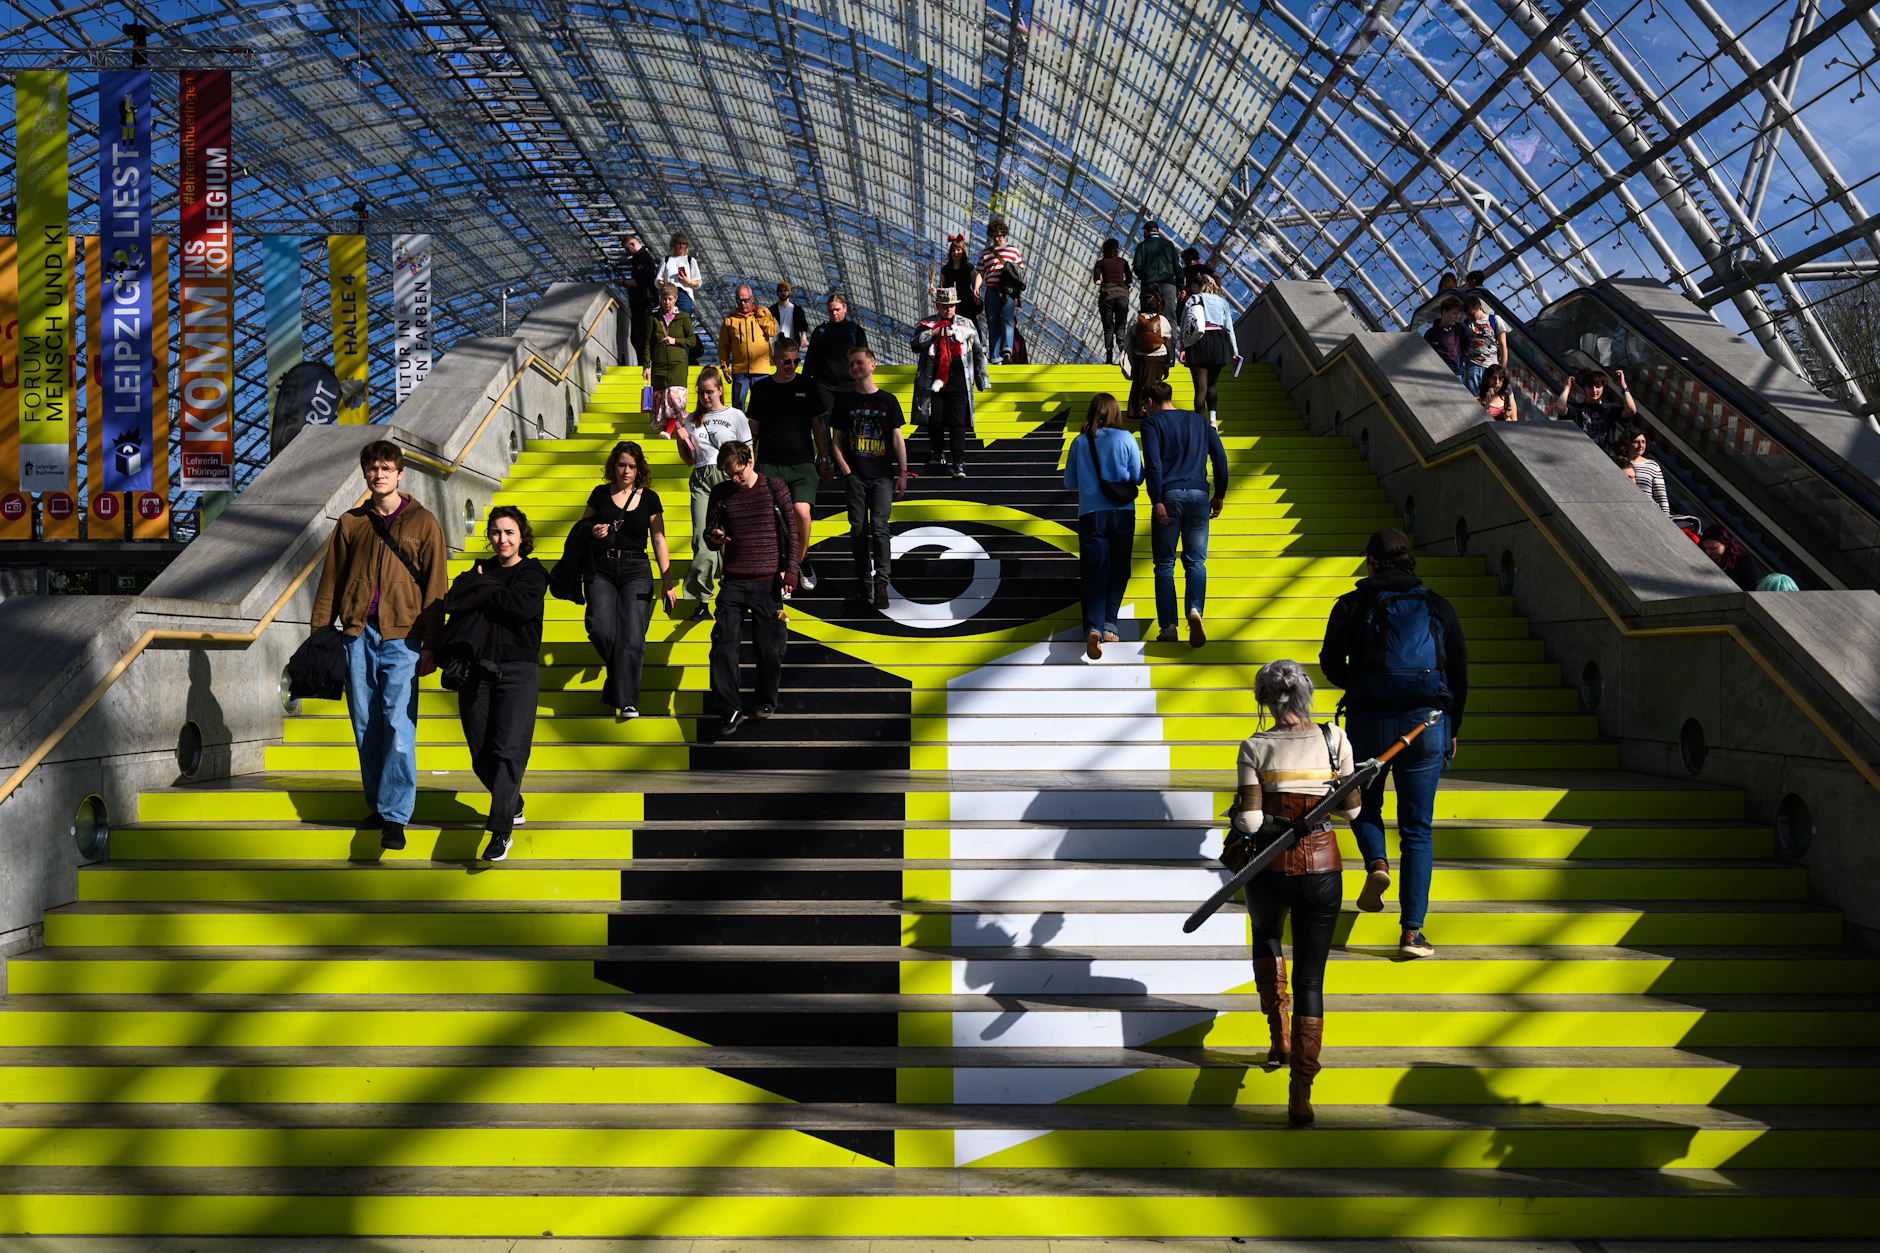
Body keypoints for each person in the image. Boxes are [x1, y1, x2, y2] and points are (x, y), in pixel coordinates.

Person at [1318, 527, 1468, 961]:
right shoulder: (1436, 604)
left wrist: (1362, 685)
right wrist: (1453, 724)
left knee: (1365, 805)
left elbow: (1330, 662)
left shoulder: (1351, 603)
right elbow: (1458, 670)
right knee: (1417, 829)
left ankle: (1377, 864)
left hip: (1369, 722)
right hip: (1426, 723)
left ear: (1371, 562)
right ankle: (1412, 933)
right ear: (1409, 560)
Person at [1228, 658, 1360, 1126]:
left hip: (1269, 866)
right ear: (1305, 695)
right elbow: (1352, 810)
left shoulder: (1253, 746)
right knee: (1311, 980)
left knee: (1266, 935)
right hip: (1323, 866)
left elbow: (1250, 821)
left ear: (1264, 698)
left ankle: (1278, 1033)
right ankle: (1300, 1093)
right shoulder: (1334, 739)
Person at [309, 440, 448, 852]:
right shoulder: (351, 523)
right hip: (356, 633)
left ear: (401, 473)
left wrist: (431, 644)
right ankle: (378, 803)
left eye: (387, 467)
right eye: (372, 468)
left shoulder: (424, 523)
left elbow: (436, 587)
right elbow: (330, 580)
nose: (379, 474)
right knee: (365, 723)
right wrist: (320, 633)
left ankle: (395, 815)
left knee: (398, 726)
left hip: (405, 637)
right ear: (365, 474)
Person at [445, 506, 548, 861]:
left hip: (518, 669)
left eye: (509, 533)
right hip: (477, 667)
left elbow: (519, 608)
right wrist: (483, 586)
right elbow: (452, 600)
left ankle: (500, 829)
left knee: (507, 751)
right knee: (480, 753)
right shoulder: (481, 569)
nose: (501, 539)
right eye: (495, 532)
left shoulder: (533, 572)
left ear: (522, 537)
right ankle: (512, 800)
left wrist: (482, 586)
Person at [701, 440, 798, 735]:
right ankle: (729, 709)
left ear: (749, 462)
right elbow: (709, 532)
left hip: (768, 582)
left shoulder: (775, 488)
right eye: (728, 473)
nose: (734, 479)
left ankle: (765, 700)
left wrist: (791, 573)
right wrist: (714, 537)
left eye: (737, 473)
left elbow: (792, 534)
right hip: (732, 582)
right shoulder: (721, 493)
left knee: (770, 649)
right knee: (723, 648)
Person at [580, 440, 676, 718]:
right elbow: (581, 527)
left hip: (637, 569)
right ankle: (620, 682)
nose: (626, 471)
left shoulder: (650, 498)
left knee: (633, 637)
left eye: (632, 466)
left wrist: (667, 580)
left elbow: (658, 539)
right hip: (601, 568)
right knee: (599, 627)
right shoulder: (599, 494)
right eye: (622, 465)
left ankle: (628, 700)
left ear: (639, 469)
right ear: (613, 465)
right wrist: (593, 531)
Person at [1140, 379, 1227, 646]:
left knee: (1165, 564)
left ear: (1151, 402)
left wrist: (1155, 499)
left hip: (1169, 494)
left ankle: (1168, 628)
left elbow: (1153, 464)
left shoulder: (1152, 423)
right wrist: (1219, 493)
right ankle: (1194, 611)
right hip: (1200, 495)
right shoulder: (1200, 421)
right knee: (1196, 562)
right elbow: (1220, 457)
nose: (1144, 411)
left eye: (1145, 407)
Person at [1063, 392, 1143, 660]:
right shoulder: (1127, 438)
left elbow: (1068, 482)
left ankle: (1092, 628)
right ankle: (1110, 623)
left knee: (1093, 571)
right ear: (1116, 413)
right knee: (1120, 570)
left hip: (1090, 514)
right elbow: (1138, 477)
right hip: (1122, 514)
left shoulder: (1079, 441)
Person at [828, 346, 908, 610]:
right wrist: (846, 470)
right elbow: (836, 441)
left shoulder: (888, 400)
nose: (855, 367)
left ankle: (882, 582)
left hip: (883, 476)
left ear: (873, 365)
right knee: (858, 529)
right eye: (851, 364)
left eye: (859, 362)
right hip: (856, 476)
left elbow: (897, 438)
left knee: (880, 527)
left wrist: (903, 473)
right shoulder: (844, 401)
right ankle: (864, 581)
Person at [749, 344, 834, 591]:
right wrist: (750, 460)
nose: (791, 366)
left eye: (796, 361)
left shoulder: (807, 385)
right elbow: (754, 428)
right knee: (772, 520)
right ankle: (779, 566)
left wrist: (825, 458)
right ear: (774, 359)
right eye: (787, 361)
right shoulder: (761, 388)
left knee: (802, 513)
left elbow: (818, 425)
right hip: (769, 463)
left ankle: (799, 562)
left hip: (803, 464)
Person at [680, 367, 752, 617]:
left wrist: (747, 481)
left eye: (710, 392)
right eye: (701, 392)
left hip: (728, 476)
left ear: (721, 389)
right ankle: (702, 599)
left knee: (728, 537)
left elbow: (749, 453)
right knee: (702, 536)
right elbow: (689, 460)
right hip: (701, 476)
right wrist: (682, 440)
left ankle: (731, 594)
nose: (705, 397)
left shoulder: (735, 415)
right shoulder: (691, 419)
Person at [911, 285, 990, 478]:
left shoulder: (966, 324)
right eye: (945, 305)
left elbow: (978, 351)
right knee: (935, 420)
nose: (949, 309)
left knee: (957, 423)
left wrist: (982, 379)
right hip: (934, 381)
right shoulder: (927, 324)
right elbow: (915, 344)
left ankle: (958, 462)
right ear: (937, 305)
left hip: (959, 382)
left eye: (952, 305)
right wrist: (933, 334)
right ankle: (938, 452)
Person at [1178, 273, 1239, 428]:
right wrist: (1234, 351)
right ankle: (1213, 419)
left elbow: (1185, 324)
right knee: (1212, 385)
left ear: (1199, 286)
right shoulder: (1223, 302)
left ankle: (1200, 422)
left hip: (1198, 341)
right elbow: (1229, 328)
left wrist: (1183, 346)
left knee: (1200, 387)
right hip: (1219, 341)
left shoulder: (1194, 299)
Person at [642, 282, 698, 439]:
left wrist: (676, 341)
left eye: (670, 299)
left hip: (678, 365)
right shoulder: (654, 318)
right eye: (664, 299)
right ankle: (670, 429)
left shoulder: (684, 318)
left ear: (676, 299)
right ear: (660, 299)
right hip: (659, 365)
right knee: (662, 399)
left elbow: (692, 341)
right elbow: (648, 343)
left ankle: (668, 431)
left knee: (674, 398)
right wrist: (646, 365)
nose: (667, 302)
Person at [719, 284, 778, 411]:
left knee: (762, 406)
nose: (743, 303)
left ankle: (760, 431)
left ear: (752, 299)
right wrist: (724, 366)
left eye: (745, 300)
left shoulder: (763, 313)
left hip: (761, 370)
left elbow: (772, 331)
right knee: (738, 406)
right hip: (740, 371)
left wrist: (760, 315)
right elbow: (724, 346)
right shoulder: (730, 319)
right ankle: (740, 431)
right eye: (739, 300)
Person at [806, 293, 869, 405]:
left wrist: (866, 383)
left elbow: (864, 359)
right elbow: (810, 358)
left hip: (849, 385)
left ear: (845, 308)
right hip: (823, 385)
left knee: (847, 421)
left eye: (837, 309)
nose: (834, 313)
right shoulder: (820, 332)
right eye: (831, 310)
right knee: (822, 421)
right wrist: (804, 383)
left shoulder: (856, 331)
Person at [978, 219, 1024, 364]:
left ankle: (1006, 352)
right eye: (994, 236)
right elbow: (980, 272)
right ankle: (995, 356)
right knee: (993, 322)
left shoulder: (1013, 250)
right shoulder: (986, 253)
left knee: (1007, 320)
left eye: (999, 235)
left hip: (1008, 291)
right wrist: (976, 288)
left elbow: (1020, 271)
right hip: (991, 290)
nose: (997, 239)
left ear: (1004, 234)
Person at [1556, 368, 1636, 452]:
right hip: (1581, 454)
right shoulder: (1577, 409)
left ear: (1603, 388)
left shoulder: (1610, 409)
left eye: (1598, 386)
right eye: (1590, 387)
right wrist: (1567, 388)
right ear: (1585, 388)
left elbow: (1631, 410)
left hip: (1605, 456)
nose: (1594, 390)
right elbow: (1559, 408)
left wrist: (1623, 386)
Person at [1125, 291, 1175, 420]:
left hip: (1141, 357)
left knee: (1139, 383)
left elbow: (1130, 336)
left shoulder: (1136, 318)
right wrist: (1170, 361)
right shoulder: (1162, 320)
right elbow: (1169, 340)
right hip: (1159, 357)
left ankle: (1137, 410)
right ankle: (1156, 408)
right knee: (1156, 383)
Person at [1091, 239, 1134, 365]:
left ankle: (1109, 357)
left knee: (1108, 328)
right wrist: (1122, 284)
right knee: (1120, 326)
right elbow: (1129, 279)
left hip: (1107, 296)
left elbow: (1097, 280)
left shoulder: (1100, 263)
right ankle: (1121, 342)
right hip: (1122, 295)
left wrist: (1104, 282)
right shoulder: (1123, 262)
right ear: (1117, 249)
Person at [1133, 220, 1182, 328]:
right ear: (1157, 232)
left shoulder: (1142, 246)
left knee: (1148, 317)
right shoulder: (1169, 245)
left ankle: (1150, 341)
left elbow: (1137, 267)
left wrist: (1145, 278)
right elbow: (1177, 266)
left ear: (1145, 231)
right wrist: (1181, 285)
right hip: (1168, 284)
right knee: (1170, 317)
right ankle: (1170, 343)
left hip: (1149, 285)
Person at [620, 234, 657, 367]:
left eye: (627, 249)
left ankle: (645, 364)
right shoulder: (640, 258)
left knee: (642, 336)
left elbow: (642, 280)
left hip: (643, 302)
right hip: (639, 303)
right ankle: (643, 363)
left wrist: (625, 283)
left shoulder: (643, 258)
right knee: (636, 337)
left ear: (633, 244)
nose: (627, 252)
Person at [1615, 425, 1669, 514]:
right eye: (1636, 442)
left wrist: (1667, 518)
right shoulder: (1617, 463)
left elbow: (1661, 496)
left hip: (1648, 512)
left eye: (1643, 442)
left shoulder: (1652, 465)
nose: (1641, 445)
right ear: (1627, 443)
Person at [934, 233, 983, 331]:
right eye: (953, 250)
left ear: (963, 252)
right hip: (950, 303)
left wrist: (976, 296)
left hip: (966, 303)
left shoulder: (969, 268)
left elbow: (975, 285)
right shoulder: (945, 269)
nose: (955, 253)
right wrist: (935, 291)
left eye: (958, 250)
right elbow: (941, 287)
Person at [1460, 295, 1506, 396]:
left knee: (1494, 397)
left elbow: (1503, 345)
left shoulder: (1494, 320)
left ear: (1480, 308)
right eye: (1468, 315)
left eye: (1472, 314)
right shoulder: (1466, 323)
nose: (1470, 318)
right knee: (1475, 397)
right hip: (1472, 365)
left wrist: (1502, 369)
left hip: (1491, 366)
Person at [655, 233, 703, 316]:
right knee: (667, 319)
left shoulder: (690, 261)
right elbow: (658, 279)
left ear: (686, 246)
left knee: (683, 319)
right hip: (669, 293)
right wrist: (664, 284)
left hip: (684, 293)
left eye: (683, 244)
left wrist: (688, 282)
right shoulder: (666, 260)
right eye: (679, 243)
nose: (681, 246)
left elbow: (698, 282)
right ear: (674, 244)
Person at [1423, 297, 1466, 379]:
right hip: (1443, 376)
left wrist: (1463, 360)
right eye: (1454, 313)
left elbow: (1466, 344)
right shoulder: (1430, 334)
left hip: (1459, 373)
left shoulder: (1459, 328)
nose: (1457, 317)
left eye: (1458, 314)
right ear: (1445, 312)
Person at [770, 281, 812, 357]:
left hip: (793, 344)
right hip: (778, 344)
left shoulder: (797, 310)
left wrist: (804, 336)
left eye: (785, 290)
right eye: (780, 291)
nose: (782, 293)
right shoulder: (772, 310)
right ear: (777, 293)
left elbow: (803, 324)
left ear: (789, 292)